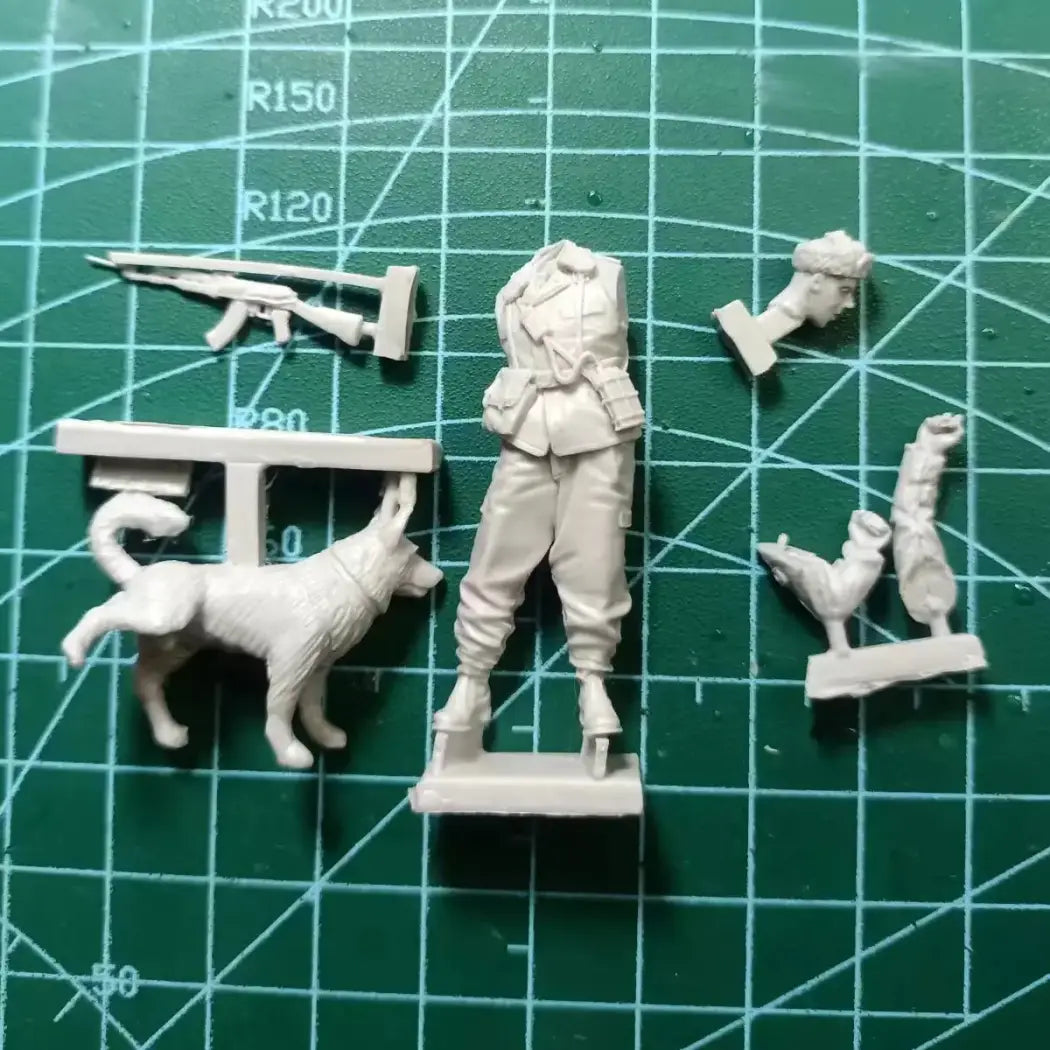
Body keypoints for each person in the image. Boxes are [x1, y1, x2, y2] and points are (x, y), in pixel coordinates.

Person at [432, 240, 644, 741]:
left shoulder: (604, 272)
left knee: (595, 560)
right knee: (496, 554)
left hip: (596, 430)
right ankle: (471, 679)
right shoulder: (517, 283)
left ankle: (593, 681)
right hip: (527, 428)